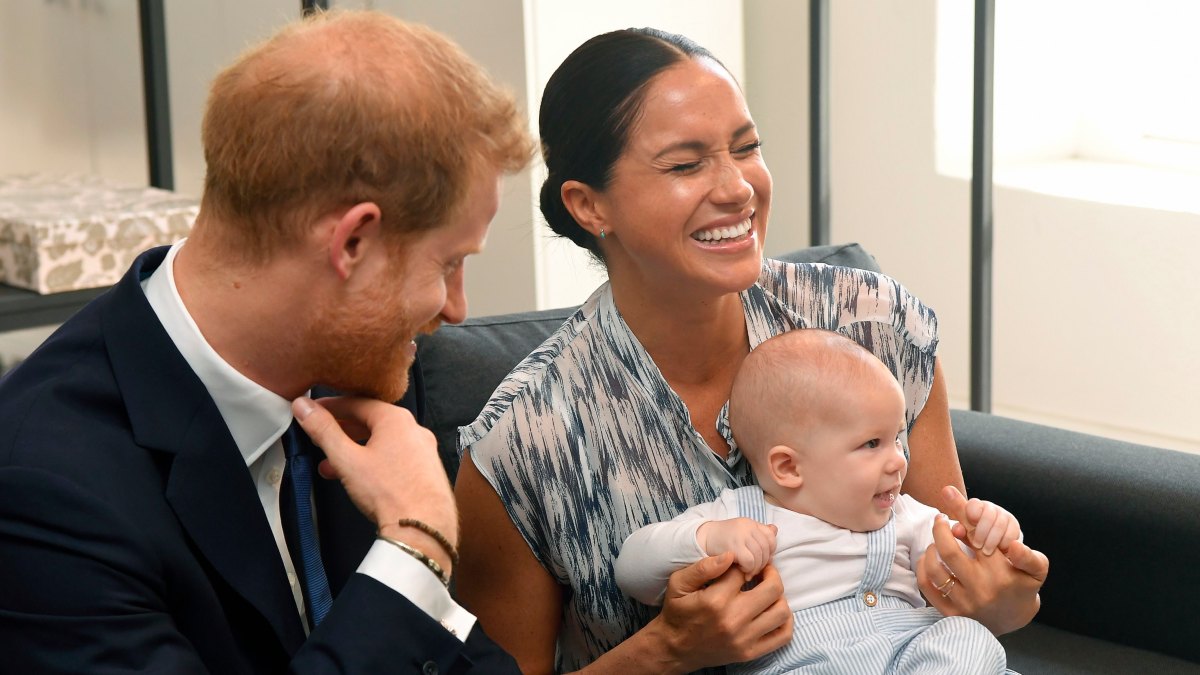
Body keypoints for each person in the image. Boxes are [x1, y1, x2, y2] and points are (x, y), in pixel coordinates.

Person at [453, 26, 1049, 674]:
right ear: (589, 205)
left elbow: (951, 582)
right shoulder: (523, 442)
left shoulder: (876, 328)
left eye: (747, 148)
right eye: (685, 164)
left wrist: (1004, 597)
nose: (738, 187)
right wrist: (667, 648)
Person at [0, 9, 532, 673]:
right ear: (352, 242)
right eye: (450, 263)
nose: (457, 308)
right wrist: (413, 549)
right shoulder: (44, 490)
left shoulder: (359, 371)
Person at [615, 329, 1029, 674]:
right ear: (788, 468)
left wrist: (991, 530)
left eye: (897, 438)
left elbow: (968, 564)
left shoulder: (905, 516)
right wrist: (707, 539)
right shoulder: (738, 516)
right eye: (871, 443)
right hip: (804, 662)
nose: (898, 459)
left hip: (914, 656)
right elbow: (632, 568)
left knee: (967, 637)